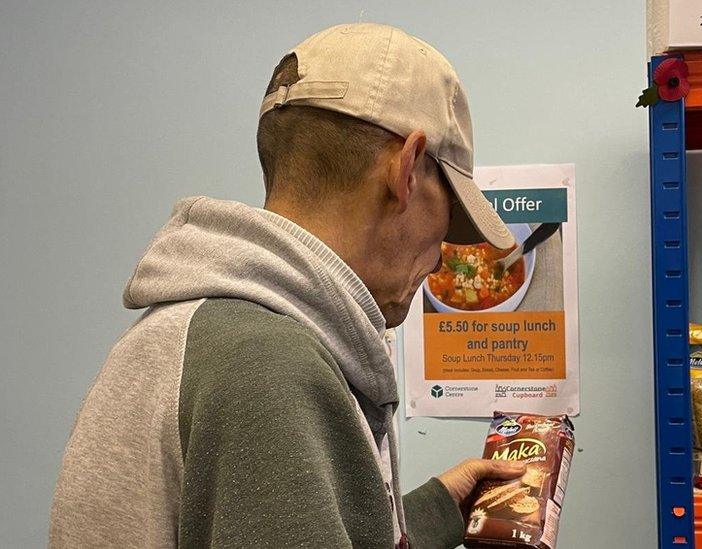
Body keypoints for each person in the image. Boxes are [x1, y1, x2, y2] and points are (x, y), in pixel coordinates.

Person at [50, 23, 524, 548]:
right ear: (407, 171)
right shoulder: (269, 367)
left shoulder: (190, 334)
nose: (438, 258)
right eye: (449, 216)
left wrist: (435, 510)